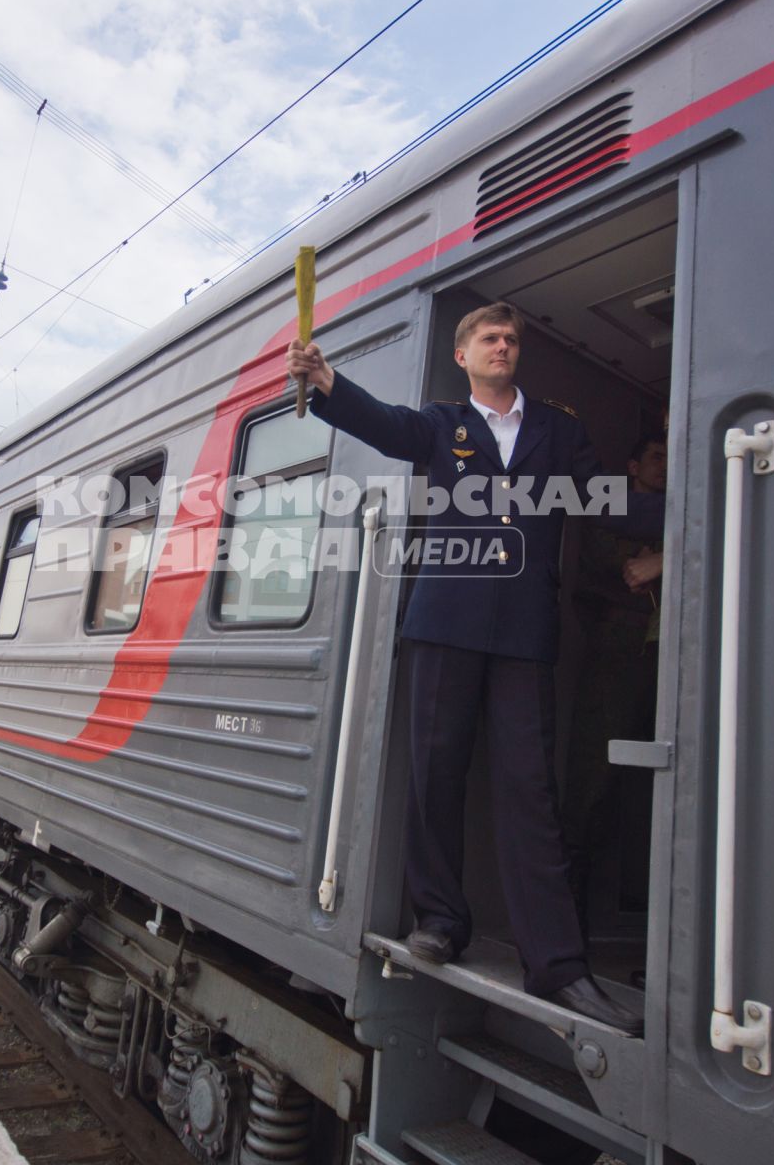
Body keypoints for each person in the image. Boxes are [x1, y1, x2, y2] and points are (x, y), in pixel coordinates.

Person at [286, 302, 660, 1036]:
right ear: (463, 355)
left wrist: (697, 501)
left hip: (524, 634)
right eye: (489, 338)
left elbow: (605, 503)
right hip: (444, 626)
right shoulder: (441, 423)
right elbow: (387, 426)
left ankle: (558, 965)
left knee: (530, 791)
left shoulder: (559, 431)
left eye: (512, 338)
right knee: (436, 771)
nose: (502, 345)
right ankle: (442, 918)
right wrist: (327, 380)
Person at [563, 432, 667, 938]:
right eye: (655, 455)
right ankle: (571, 907)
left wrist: (661, 561)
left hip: (662, 654)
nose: (665, 465)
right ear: (632, 466)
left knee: (652, 783)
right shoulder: (612, 509)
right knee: (594, 775)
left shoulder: (687, 511)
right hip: (615, 654)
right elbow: (618, 572)